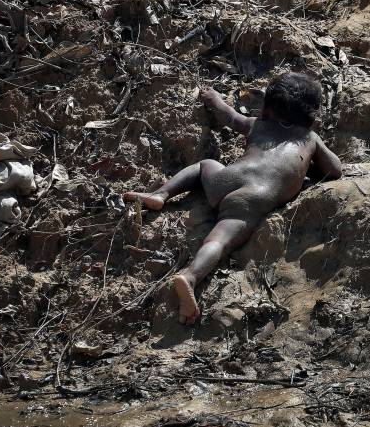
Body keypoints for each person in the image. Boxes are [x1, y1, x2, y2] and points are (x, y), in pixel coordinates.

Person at [125, 72, 342, 325]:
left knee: (205, 164)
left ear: (268, 108)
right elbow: (334, 169)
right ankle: (191, 276)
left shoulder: (257, 125)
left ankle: (160, 194)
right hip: (253, 198)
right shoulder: (310, 139)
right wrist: (308, 165)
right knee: (219, 239)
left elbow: (228, 116)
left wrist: (212, 97)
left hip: (225, 180)